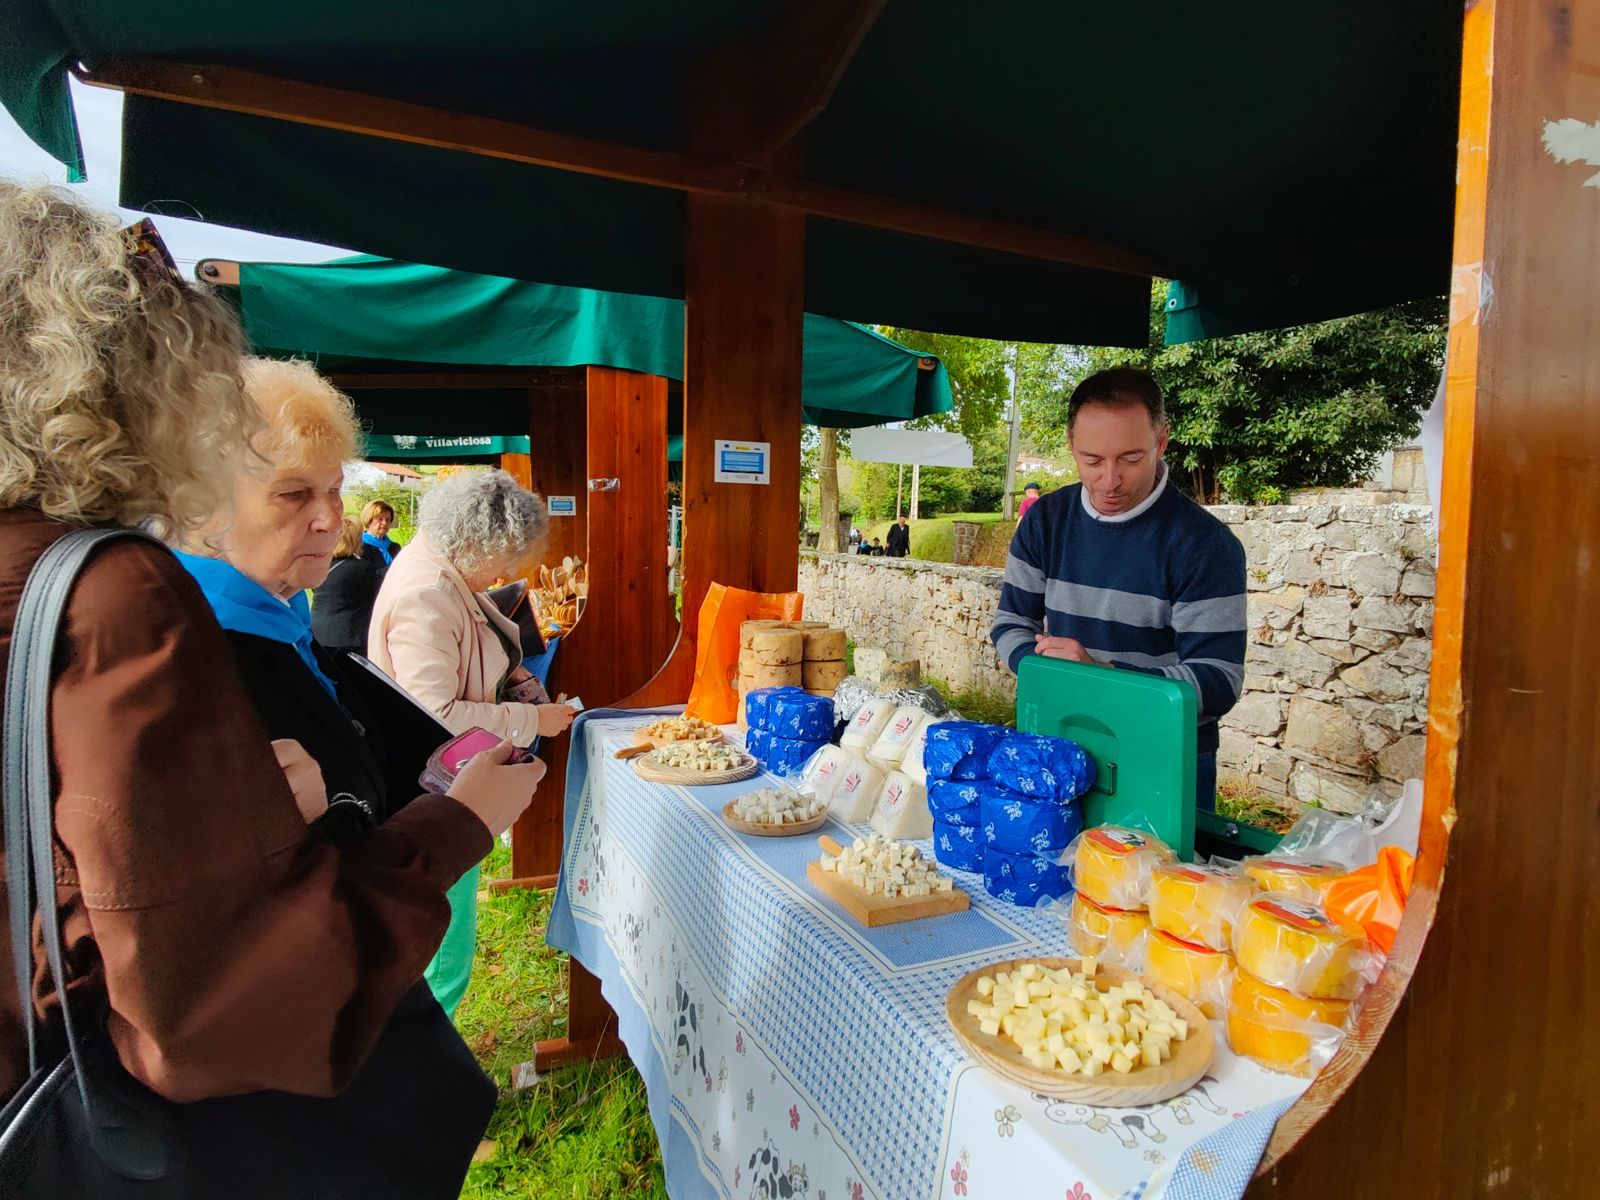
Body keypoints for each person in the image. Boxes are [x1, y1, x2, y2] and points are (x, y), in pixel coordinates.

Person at [0, 184, 539, 1194]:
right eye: (295, 495)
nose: (331, 525)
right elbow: (214, 1010)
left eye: (338, 494)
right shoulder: (120, 602)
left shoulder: (179, 610)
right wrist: (438, 826)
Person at [368, 469, 577, 1014]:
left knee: (446, 945)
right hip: (433, 792)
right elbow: (433, 711)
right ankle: (429, 1079)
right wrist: (531, 722)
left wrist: (519, 682)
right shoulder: (428, 590)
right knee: (442, 955)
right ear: (480, 541)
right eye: (507, 558)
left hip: (444, 788)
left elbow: (478, 656)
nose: (507, 573)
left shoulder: (441, 573)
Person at [989, 368, 1246, 811]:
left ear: (1161, 442)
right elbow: (1011, 623)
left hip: (1163, 758)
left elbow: (1219, 680)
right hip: (1060, 741)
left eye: (1130, 458)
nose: (1110, 481)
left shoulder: (1206, 545)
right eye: (1092, 460)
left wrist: (1098, 675)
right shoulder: (1045, 520)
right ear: (1071, 445)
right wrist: (1051, 672)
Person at [312, 514, 383, 655]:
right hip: (349, 638)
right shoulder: (362, 568)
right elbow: (378, 598)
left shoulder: (319, 564)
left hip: (318, 633)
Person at [361, 497, 404, 565]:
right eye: (380, 519)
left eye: (387, 519)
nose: (384, 523)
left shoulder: (395, 547)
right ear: (369, 520)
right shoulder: (360, 548)